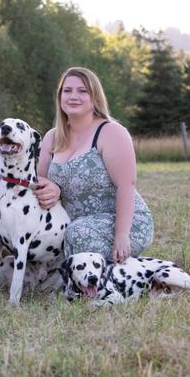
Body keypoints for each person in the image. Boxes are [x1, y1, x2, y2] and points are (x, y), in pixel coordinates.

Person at [34, 67, 153, 264]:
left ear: (95, 97)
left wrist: (121, 234)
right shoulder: (51, 137)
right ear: (60, 97)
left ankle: (130, 273)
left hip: (121, 222)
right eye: (67, 90)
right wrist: (55, 189)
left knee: (78, 234)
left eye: (82, 91)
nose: (73, 96)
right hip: (71, 225)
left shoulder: (111, 132)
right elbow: (40, 182)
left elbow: (126, 185)